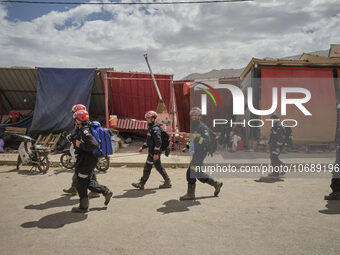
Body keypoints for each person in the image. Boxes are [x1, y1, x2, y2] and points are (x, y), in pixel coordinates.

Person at [71, 110, 113, 213]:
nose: (75, 121)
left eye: (75, 120)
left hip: (86, 161)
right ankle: (105, 191)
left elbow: (93, 144)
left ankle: (83, 207)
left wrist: (80, 145)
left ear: (79, 120)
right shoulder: (84, 128)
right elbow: (79, 138)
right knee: (86, 181)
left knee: (82, 183)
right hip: (86, 160)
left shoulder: (85, 131)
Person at [180, 107, 223, 200]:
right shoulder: (193, 127)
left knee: (190, 173)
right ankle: (216, 184)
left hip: (201, 153)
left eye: (196, 115)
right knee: (199, 174)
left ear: (200, 116)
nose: (194, 117)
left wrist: (195, 137)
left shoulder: (203, 128)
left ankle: (190, 194)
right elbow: (192, 141)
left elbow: (206, 142)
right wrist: (187, 147)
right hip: (196, 153)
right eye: (193, 115)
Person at [63, 104, 100, 198]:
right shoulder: (82, 124)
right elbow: (76, 135)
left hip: (86, 154)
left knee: (85, 172)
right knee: (81, 170)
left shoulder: (84, 128)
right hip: (84, 153)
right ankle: (75, 188)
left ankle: (98, 190)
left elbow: (93, 144)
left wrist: (79, 144)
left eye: (74, 114)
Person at [131, 110, 172, 190]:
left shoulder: (155, 129)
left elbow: (158, 141)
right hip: (153, 151)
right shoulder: (151, 128)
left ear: (153, 119)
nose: (147, 119)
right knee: (158, 166)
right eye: (146, 117)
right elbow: (150, 141)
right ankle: (167, 181)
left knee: (147, 167)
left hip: (154, 152)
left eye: (148, 118)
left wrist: (156, 153)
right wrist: (143, 147)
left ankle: (141, 184)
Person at [268, 113, 286, 177]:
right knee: (273, 158)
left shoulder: (279, 127)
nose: (272, 120)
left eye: (272, 119)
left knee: (274, 158)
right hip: (273, 145)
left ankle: (277, 171)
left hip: (277, 146)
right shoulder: (275, 126)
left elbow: (281, 138)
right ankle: (277, 171)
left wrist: (278, 147)